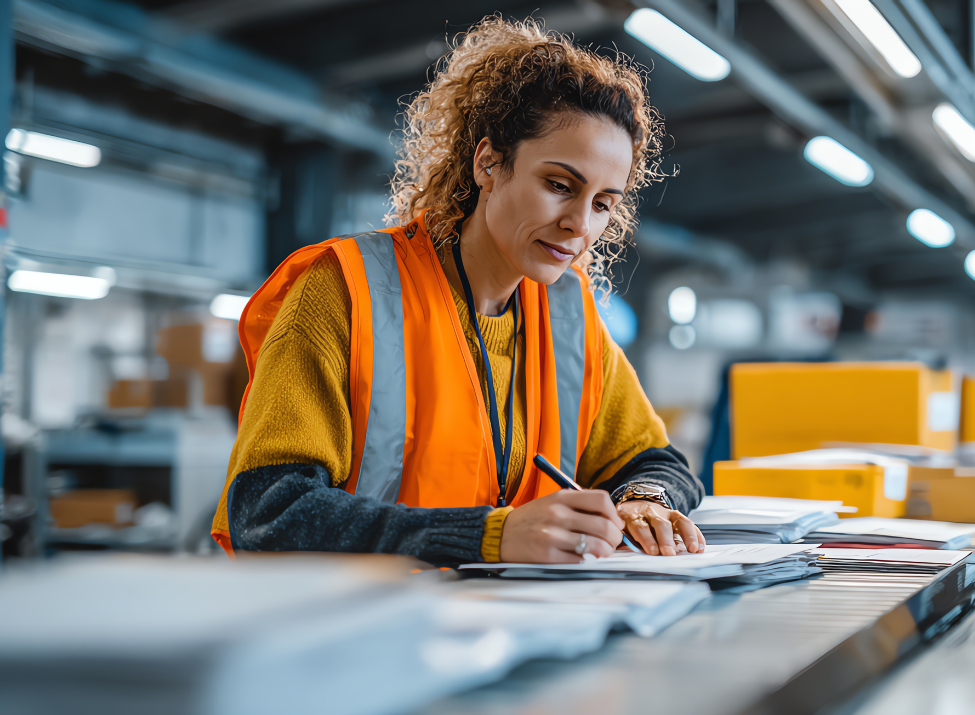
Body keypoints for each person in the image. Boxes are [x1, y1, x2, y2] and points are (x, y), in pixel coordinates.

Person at [210, 16, 706, 565]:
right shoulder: (344, 291)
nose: (579, 225)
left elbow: (656, 462)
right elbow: (266, 513)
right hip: (354, 631)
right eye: (559, 185)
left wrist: (645, 501)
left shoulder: (568, 316)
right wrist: (488, 536)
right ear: (488, 163)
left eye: (603, 203)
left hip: (509, 628)